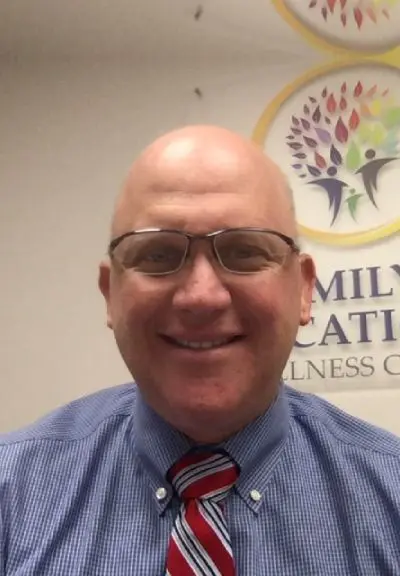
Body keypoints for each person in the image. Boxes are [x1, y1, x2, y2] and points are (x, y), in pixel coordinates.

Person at [1, 125, 399, 576]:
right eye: (156, 254)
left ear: (304, 290)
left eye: (246, 250)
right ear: (110, 292)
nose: (201, 296)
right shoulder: (11, 495)